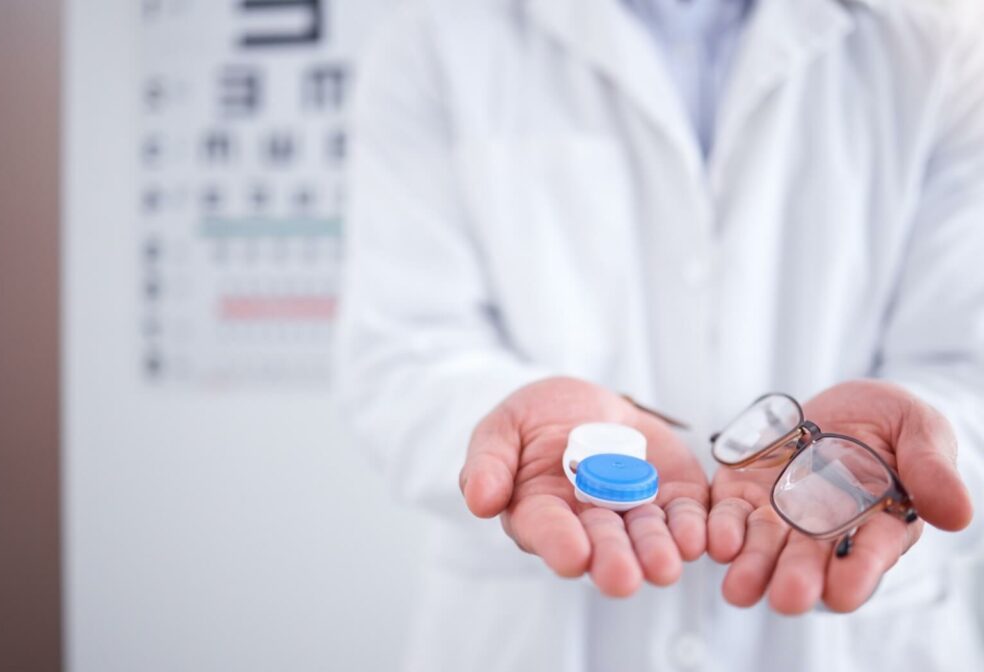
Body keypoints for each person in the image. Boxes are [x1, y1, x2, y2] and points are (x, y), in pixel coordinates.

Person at [335, 0, 984, 669]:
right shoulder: (435, 42)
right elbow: (404, 350)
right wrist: (506, 430)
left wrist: (907, 450)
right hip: (536, 633)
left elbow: (966, 363)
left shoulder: (940, 43)